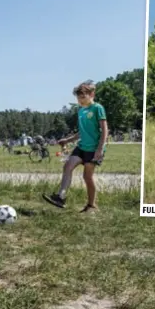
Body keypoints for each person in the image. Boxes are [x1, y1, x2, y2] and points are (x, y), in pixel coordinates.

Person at [42, 80, 108, 213]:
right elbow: (81, 132)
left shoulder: (97, 108)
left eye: (83, 97)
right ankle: (61, 197)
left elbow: (105, 129)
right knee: (68, 166)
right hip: (82, 147)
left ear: (92, 94)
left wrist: (100, 148)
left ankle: (91, 205)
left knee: (87, 177)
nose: (80, 100)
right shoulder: (81, 111)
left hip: (93, 149)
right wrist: (67, 140)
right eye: (78, 98)